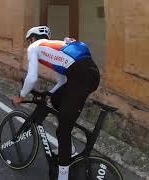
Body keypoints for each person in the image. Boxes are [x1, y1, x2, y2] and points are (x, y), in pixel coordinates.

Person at [12, 26, 100, 180]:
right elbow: (62, 81)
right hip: (88, 74)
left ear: (32, 38)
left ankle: (63, 176)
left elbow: (32, 78)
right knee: (56, 99)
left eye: (28, 41)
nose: (28, 43)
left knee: (62, 131)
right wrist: (49, 94)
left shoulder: (34, 47)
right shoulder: (57, 47)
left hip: (81, 77)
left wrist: (21, 95)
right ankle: (69, 148)